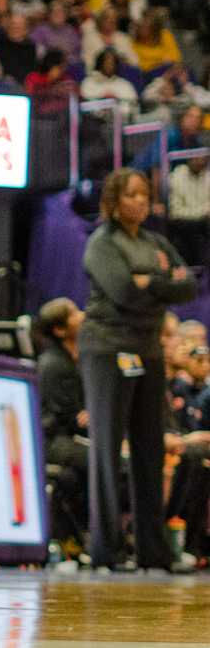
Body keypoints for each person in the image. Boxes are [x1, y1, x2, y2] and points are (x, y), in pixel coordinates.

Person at [80, 169, 197, 571]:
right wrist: (158, 284)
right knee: (108, 449)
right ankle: (106, 551)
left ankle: (154, 551)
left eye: (145, 195)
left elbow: (189, 286)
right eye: (132, 195)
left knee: (150, 448)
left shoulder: (155, 242)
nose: (141, 202)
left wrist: (153, 282)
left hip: (147, 349)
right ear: (114, 201)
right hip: (107, 348)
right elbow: (125, 292)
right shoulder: (101, 244)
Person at [35, 296, 89, 552]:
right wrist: (84, 416)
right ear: (60, 329)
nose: (83, 315)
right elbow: (68, 416)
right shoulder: (55, 364)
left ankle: (83, 539)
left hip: (67, 436)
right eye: (74, 313)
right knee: (101, 463)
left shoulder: (72, 360)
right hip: (53, 440)